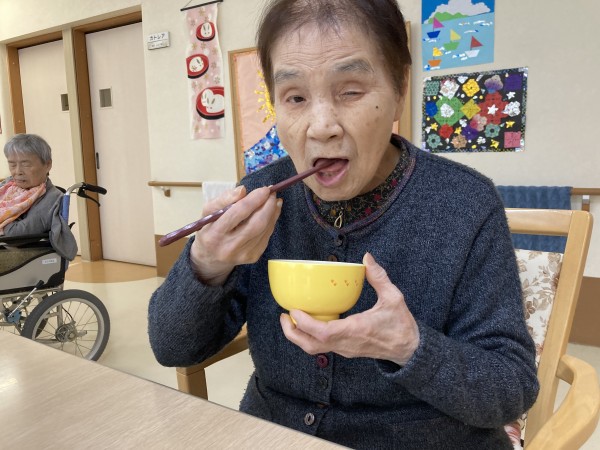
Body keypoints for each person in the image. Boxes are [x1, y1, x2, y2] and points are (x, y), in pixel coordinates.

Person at [148, 0, 539, 448]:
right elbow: (171, 348)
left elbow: (510, 390)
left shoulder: (465, 203)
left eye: (350, 91)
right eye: (295, 97)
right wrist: (205, 263)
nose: (321, 127)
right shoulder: (261, 198)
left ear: (400, 88)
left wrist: (409, 347)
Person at [1, 133, 76, 259]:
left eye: (26, 164)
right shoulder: (8, 185)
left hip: (21, 259)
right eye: (12, 165)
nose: (17, 172)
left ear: (47, 165)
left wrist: (3, 216)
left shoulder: (51, 198)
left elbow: (15, 236)